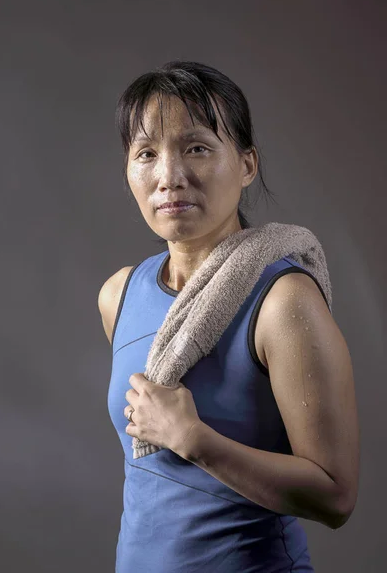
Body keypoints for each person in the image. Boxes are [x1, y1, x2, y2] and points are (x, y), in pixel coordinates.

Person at [98, 60, 359, 572]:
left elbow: (336, 496)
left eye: (196, 147)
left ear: (246, 164)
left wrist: (195, 441)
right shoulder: (119, 294)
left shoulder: (284, 302)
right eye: (147, 153)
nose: (169, 177)